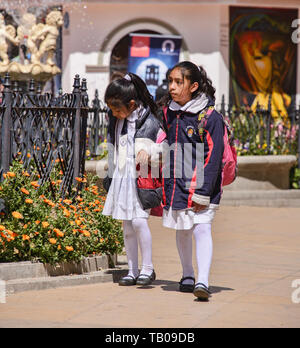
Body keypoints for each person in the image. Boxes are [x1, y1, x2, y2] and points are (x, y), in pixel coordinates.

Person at [162, 61, 224, 301]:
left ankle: (203, 281)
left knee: (202, 227)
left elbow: (214, 156)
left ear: (194, 86)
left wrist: (204, 191)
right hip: (176, 184)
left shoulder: (210, 117)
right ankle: (187, 275)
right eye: (170, 81)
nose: (172, 87)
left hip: (201, 186)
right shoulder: (170, 112)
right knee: (183, 229)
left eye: (179, 82)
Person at [102, 72, 166, 287]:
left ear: (131, 104)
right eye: (111, 108)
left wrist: (152, 152)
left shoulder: (152, 119)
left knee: (139, 221)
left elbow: (166, 145)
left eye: (117, 108)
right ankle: (132, 269)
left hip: (142, 177)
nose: (114, 113)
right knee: (127, 225)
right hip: (122, 175)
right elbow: (115, 146)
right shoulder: (116, 120)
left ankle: (148, 268)